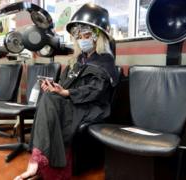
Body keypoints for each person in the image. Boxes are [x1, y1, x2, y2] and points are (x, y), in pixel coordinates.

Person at [14, 3, 118, 180]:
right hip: (71, 101)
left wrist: (66, 93)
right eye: (78, 35)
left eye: (86, 34)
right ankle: (44, 164)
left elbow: (96, 90)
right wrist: (55, 87)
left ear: (98, 37)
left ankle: (39, 164)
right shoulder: (77, 60)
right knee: (48, 97)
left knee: (52, 102)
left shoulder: (105, 61)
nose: (81, 39)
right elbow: (63, 84)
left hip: (92, 106)